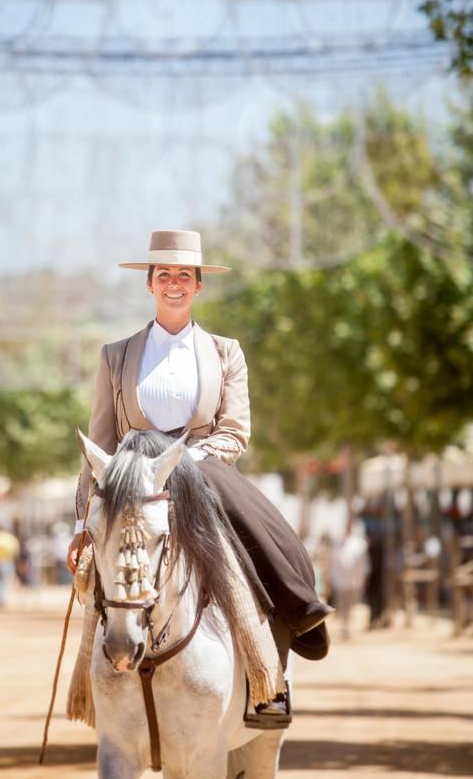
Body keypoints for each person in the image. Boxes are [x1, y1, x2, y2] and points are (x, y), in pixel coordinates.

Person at [69, 231, 334, 702]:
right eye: (165, 275)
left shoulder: (225, 351)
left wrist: (189, 459)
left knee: (263, 526)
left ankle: (289, 624)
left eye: (184, 276)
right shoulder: (115, 355)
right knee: (102, 570)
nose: (175, 283)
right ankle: (90, 686)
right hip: (134, 475)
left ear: (198, 286)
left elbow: (235, 430)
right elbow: (102, 441)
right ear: (149, 284)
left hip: (204, 466)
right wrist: (81, 522)